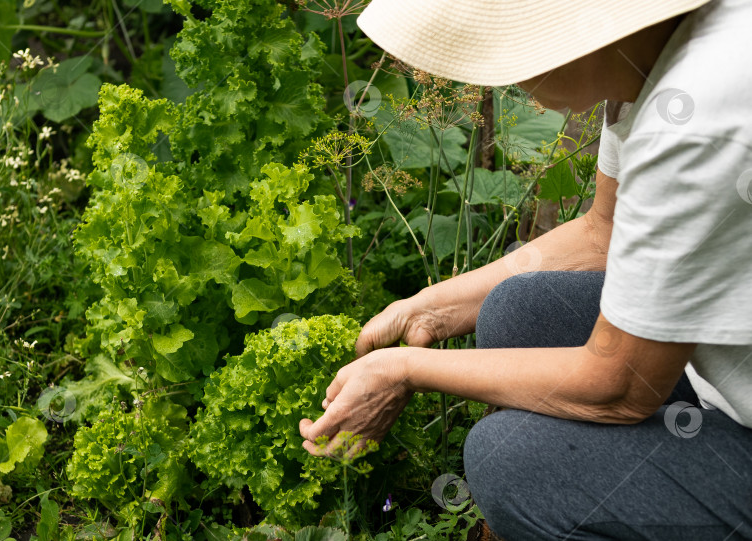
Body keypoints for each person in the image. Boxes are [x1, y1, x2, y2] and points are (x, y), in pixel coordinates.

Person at [299, 0, 752, 538]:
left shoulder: (695, 119)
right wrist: (430, 309)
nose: (503, 78)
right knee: (521, 310)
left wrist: (403, 370)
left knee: (509, 464)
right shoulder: (656, 60)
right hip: (725, 381)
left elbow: (621, 385)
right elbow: (603, 233)